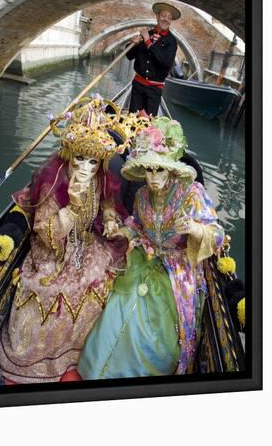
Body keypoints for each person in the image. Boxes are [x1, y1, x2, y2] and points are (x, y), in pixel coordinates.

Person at [0, 97, 136, 384]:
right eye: (80, 159)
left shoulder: (100, 178)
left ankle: (86, 351)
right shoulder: (53, 180)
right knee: (50, 293)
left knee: (107, 277)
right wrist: (71, 207)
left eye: (93, 161)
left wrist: (109, 219)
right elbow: (45, 234)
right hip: (53, 253)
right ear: (70, 154)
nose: (85, 168)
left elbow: (108, 201)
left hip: (86, 243)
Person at [78, 118, 225, 378]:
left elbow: (217, 236)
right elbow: (136, 224)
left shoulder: (192, 193)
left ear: (171, 169)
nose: (153, 178)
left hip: (176, 273)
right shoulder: (142, 195)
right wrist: (122, 230)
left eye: (159, 170)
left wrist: (193, 228)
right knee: (114, 302)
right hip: (143, 257)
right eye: (148, 170)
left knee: (153, 329)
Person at [126, 1, 181, 116]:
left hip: (154, 90)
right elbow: (129, 56)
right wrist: (133, 44)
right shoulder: (147, 34)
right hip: (138, 86)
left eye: (169, 18)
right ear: (157, 16)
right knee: (131, 121)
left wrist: (148, 42)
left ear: (171, 21)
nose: (166, 19)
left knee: (148, 128)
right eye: (163, 16)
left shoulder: (171, 42)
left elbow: (165, 62)